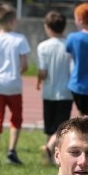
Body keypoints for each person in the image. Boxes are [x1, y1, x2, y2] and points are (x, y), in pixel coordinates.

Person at [0, 3, 30, 165]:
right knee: (16, 119)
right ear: (12, 21)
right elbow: (24, 65)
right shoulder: (20, 39)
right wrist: (17, 72)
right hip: (13, 83)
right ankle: (11, 151)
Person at [35, 10, 72, 165]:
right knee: (61, 127)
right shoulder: (69, 46)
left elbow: (43, 71)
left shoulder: (43, 46)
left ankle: (49, 152)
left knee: (50, 127)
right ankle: (52, 153)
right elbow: (72, 68)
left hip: (49, 91)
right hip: (66, 91)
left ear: (47, 27)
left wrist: (39, 80)